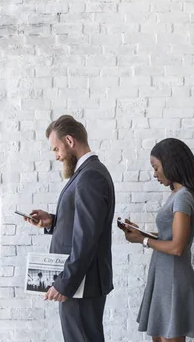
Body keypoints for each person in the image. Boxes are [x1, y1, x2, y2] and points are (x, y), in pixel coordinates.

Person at [24, 115, 115, 342]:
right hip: (81, 282)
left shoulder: (90, 176)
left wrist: (65, 283)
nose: (56, 156)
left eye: (56, 149)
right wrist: (53, 222)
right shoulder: (86, 174)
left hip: (81, 284)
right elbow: (84, 226)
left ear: (70, 141)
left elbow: (86, 238)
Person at [120, 138, 194, 342]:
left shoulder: (183, 197)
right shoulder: (177, 194)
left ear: (171, 164)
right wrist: (142, 234)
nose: (154, 173)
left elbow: (177, 247)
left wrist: (143, 241)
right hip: (164, 274)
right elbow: (171, 235)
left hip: (174, 277)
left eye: (156, 167)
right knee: (159, 337)